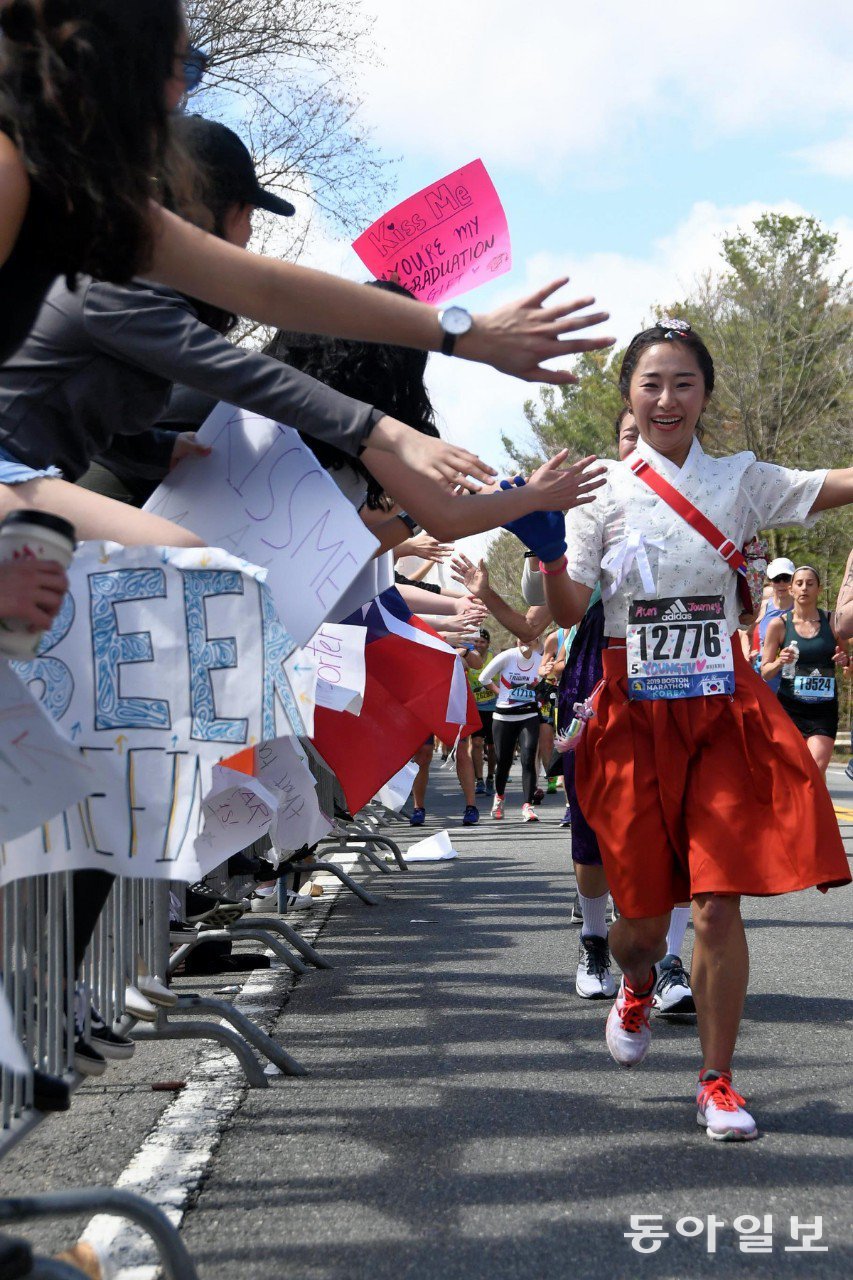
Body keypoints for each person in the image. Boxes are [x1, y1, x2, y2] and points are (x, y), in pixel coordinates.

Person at [533, 319, 852, 1141]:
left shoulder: (742, 479)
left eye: (683, 382)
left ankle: (716, 1081)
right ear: (628, 396)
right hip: (628, 708)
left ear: (705, 393)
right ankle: (634, 982)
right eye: (651, 383)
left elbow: (830, 482)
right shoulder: (596, 487)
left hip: (719, 705)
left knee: (716, 902)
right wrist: (541, 540)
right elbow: (569, 609)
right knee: (639, 924)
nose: (666, 398)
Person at [0, 3, 614, 399]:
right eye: (186, 68)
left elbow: (262, 290)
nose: (182, 95)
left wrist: (464, 333)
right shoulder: (9, 169)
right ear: (111, 64)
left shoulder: (78, 196)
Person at [761, 565, 849, 775]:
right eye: (799, 584)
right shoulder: (779, 625)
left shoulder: (834, 623)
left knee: (814, 770)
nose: (804, 589)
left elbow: (848, 670)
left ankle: (815, 807)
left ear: (819, 589)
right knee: (791, 773)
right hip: (790, 709)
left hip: (823, 711)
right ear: (791, 589)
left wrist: (845, 662)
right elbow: (765, 672)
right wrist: (779, 662)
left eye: (810, 584)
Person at [477, 637, 545, 822]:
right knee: (504, 762)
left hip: (529, 715)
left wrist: (540, 691)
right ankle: (499, 798)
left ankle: (527, 806)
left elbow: (545, 682)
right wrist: (502, 693)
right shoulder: (507, 657)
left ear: (536, 641)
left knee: (528, 757)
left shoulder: (540, 660)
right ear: (516, 640)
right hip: (503, 716)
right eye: (521, 637)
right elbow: (484, 677)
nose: (525, 641)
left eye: (530, 638)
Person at [749, 557, 794, 691]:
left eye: (785, 578)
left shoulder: (801, 606)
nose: (781, 583)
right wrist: (748, 653)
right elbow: (747, 633)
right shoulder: (763, 607)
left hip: (793, 673)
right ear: (770, 581)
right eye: (776, 579)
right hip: (766, 673)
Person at [468, 628, 498, 795]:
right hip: (476, 708)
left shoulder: (494, 659)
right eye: (476, 641)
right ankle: (479, 779)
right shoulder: (467, 657)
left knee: (492, 746)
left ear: (488, 644)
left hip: (493, 707)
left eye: (482, 641)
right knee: (477, 743)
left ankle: (491, 776)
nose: (479, 644)